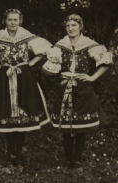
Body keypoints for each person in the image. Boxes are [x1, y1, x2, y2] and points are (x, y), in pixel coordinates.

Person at [0, 8, 51, 169]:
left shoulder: (27, 36)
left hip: (24, 78)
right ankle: (10, 154)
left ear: (20, 21)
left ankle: (19, 153)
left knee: (22, 114)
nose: (13, 23)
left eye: (16, 20)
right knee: (7, 112)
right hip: (5, 78)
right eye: (10, 20)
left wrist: (29, 64)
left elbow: (44, 52)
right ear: (5, 21)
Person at [42, 14, 113, 172]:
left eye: (74, 25)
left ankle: (78, 160)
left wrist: (92, 77)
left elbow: (106, 62)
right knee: (66, 126)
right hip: (63, 86)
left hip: (82, 88)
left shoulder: (90, 45)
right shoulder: (60, 46)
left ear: (81, 27)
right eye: (68, 26)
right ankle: (68, 160)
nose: (71, 28)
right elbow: (50, 69)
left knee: (81, 125)